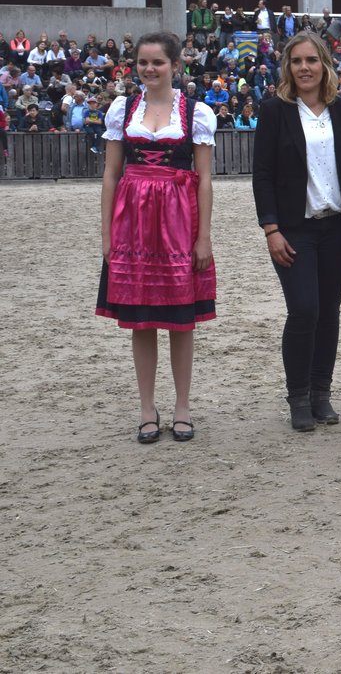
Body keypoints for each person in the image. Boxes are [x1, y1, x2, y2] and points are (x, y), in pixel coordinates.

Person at [95, 32, 217, 444]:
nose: (149, 69)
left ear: (175, 65)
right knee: (140, 321)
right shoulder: (122, 108)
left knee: (181, 322)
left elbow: (204, 181)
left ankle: (182, 407)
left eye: (157, 62)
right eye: (143, 62)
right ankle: (148, 408)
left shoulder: (195, 112)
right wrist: (107, 233)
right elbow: (112, 174)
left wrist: (204, 238)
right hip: (132, 223)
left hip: (179, 222)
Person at [253, 33, 341, 432]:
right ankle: (297, 396)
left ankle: (321, 394)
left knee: (328, 312)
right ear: (287, 67)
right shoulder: (274, 111)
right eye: (297, 61)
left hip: (336, 228)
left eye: (312, 60)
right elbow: (262, 175)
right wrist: (271, 229)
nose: (305, 68)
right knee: (304, 310)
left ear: (325, 64)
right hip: (294, 229)